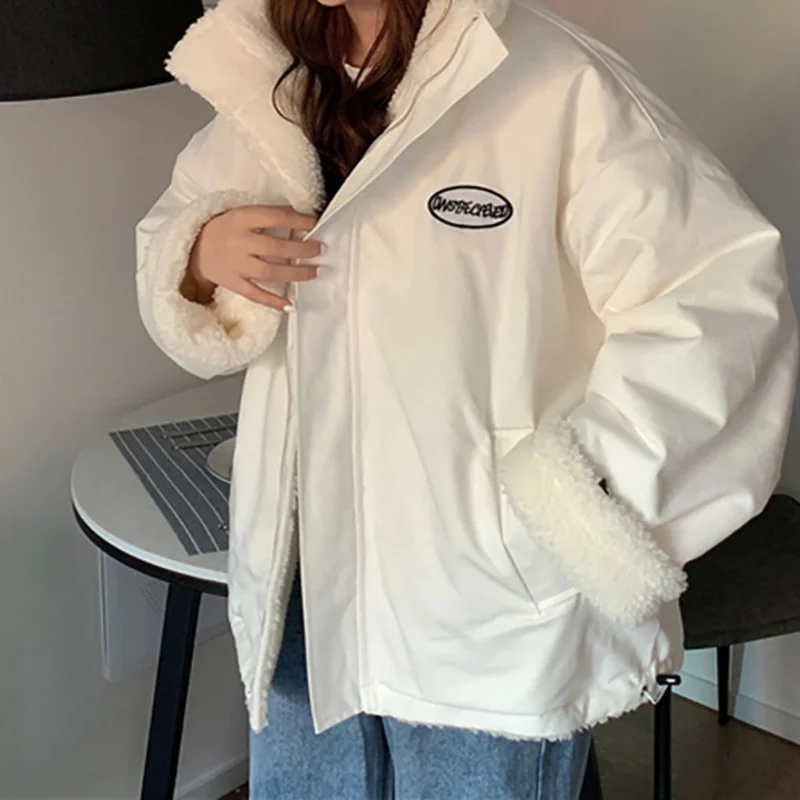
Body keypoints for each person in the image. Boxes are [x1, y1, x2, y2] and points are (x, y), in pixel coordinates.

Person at [136, 0, 798, 797]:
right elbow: (173, 239)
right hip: (306, 592)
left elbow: (722, 300)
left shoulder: (554, 82)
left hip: (484, 612)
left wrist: (577, 508)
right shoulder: (263, 76)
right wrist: (198, 254)